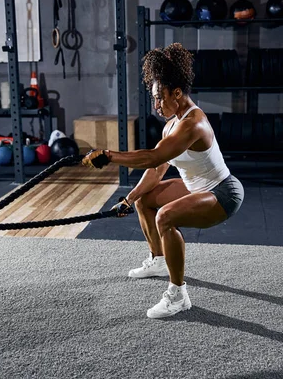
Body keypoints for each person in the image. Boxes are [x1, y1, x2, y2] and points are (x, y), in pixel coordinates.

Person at [82, 43, 244, 319]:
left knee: (166, 217)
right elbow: (157, 168)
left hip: (223, 194)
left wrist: (109, 155)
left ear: (177, 93)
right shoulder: (172, 123)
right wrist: (129, 198)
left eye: (160, 98)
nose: (156, 105)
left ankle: (178, 294)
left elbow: (151, 156)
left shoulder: (194, 123)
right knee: (146, 200)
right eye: (154, 98)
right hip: (197, 188)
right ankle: (158, 260)